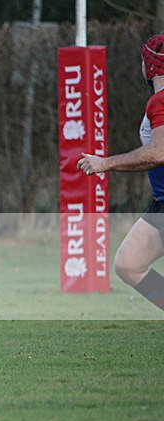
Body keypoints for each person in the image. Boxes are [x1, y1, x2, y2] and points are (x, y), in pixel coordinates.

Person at [78, 34, 164, 312]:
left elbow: (158, 153)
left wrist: (105, 163)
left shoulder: (160, 102)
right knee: (129, 263)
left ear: (151, 66)